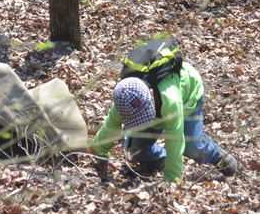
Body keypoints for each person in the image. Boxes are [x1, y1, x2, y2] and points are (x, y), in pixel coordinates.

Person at [87, 40, 238, 182]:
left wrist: (172, 180)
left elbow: (175, 141)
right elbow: (108, 129)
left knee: (192, 147)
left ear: (151, 93)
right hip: (159, 105)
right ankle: (164, 161)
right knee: (138, 151)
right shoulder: (124, 98)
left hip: (188, 95)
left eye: (145, 115)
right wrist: (100, 157)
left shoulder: (171, 102)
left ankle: (221, 159)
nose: (144, 121)